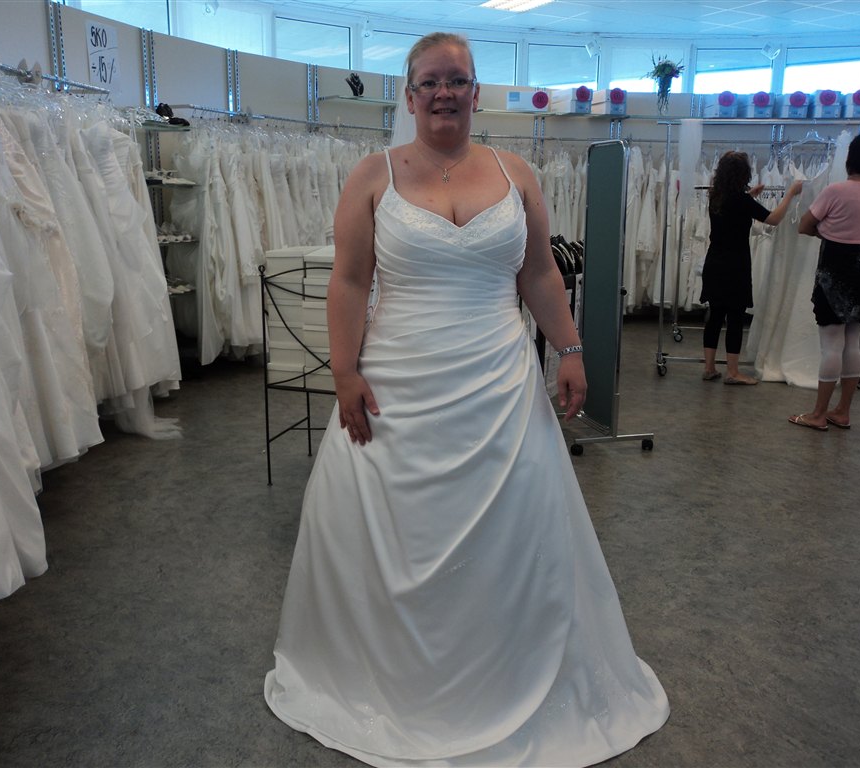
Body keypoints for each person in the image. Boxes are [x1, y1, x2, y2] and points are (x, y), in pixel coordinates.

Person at [263, 32, 669, 767]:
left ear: (476, 92)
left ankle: (511, 668)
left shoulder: (517, 173)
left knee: (513, 532)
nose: (444, 93)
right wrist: (344, 372)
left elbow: (539, 273)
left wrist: (570, 349)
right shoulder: (373, 175)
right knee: (398, 533)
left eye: (457, 80)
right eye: (429, 81)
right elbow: (349, 280)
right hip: (397, 387)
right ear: (410, 95)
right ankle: (398, 681)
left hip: (498, 385)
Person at [790, 132, 860, 430]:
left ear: (850, 159)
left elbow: (805, 225)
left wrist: (829, 232)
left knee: (831, 345)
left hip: (835, 273)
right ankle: (842, 411)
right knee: (853, 342)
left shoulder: (836, 191)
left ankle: (818, 414)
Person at [700, 151, 803, 384]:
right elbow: (773, 219)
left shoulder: (716, 196)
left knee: (715, 315)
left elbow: (733, 209)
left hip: (714, 262)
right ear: (743, 175)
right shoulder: (742, 201)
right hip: (735, 265)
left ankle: (709, 368)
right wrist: (790, 194)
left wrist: (750, 196)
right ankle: (733, 372)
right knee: (735, 317)